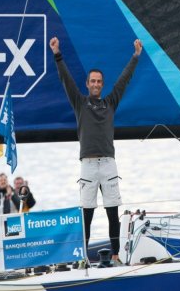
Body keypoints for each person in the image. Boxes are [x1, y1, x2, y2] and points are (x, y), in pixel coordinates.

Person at [50, 37, 142, 265]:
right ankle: (83, 258)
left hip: (109, 164)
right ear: (87, 84)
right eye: (93, 81)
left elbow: (124, 80)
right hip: (88, 165)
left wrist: (135, 57)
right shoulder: (80, 103)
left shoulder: (110, 102)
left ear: (102, 84)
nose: (96, 84)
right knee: (87, 215)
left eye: (99, 81)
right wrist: (57, 54)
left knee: (112, 213)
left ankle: (115, 256)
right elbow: (66, 80)